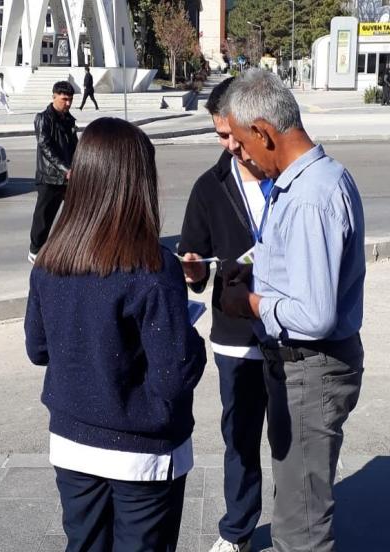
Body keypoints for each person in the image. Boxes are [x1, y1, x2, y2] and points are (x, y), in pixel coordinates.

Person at [25, 117, 207, 551]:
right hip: (142, 452)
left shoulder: (52, 258)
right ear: (136, 183)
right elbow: (173, 377)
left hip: (72, 442)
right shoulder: (152, 266)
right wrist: (191, 341)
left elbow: (38, 348)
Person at [218, 68, 366, 552]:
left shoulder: (309, 197)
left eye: (240, 143)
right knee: (295, 502)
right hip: (302, 368)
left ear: (262, 132)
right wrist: (252, 272)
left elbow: (315, 315)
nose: (238, 154)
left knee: (300, 525)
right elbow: (289, 262)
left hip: (312, 367)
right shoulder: (303, 181)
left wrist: (253, 302)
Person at [178, 77, 270, 552]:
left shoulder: (291, 175)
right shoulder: (209, 187)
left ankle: (301, 529)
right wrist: (193, 271)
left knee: (296, 442)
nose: (231, 145)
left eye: (235, 133)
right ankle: (238, 530)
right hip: (236, 336)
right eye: (220, 135)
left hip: (296, 332)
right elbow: (195, 265)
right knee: (240, 438)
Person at [28, 81, 78, 263]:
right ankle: (35, 250)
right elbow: (45, 147)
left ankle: (69, 247)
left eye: (71, 100)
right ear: (54, 96)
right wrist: (66, 170)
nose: (68, 103)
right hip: (49, 177)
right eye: (64, 99)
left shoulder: (69, 119)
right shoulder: (43, 118)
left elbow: (75, 145)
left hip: (69, 177)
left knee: (76, 213)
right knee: (44, 217)